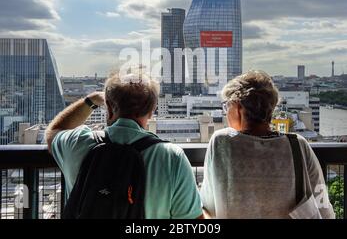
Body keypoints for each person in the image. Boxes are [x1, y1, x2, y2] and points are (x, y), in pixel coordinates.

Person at [46, 73, 203, 219]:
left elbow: (53, 132)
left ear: (108, 107)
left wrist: (91, 101)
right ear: (152, 110)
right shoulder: (170, 157)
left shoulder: (78, 142)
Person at [200, 70, 335, 219]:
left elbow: (206, 207)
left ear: (239, 107)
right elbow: (322, 204)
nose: (226, 112)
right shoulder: (297, 145)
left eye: (227, 106)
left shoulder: (222, 142)